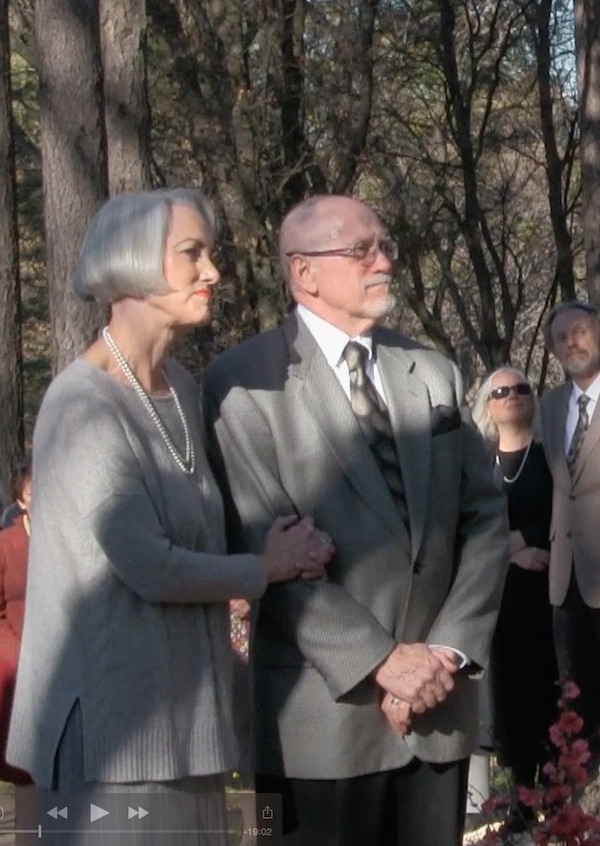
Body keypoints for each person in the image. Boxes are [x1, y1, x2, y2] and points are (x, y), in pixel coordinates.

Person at [7, 188, 333, 844]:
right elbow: (150, 566)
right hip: (112, 740)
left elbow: (201, 535)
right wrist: (264, 569)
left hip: (193, 731)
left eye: (208, 253)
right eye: (191, 254)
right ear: (131, 263)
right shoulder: (81, 406)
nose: (212, 271)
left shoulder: (181, 387)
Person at [203, 193, 509, 846]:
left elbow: (485, 521)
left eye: (385, 245)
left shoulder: (432, 372)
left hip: (438, 710)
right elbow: (263, 549)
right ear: (304, 272)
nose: (384, 262)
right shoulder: (243, 384)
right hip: (320, 725)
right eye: (360, 249)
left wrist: (442, 655)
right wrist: (381, 663)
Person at [472, 367, 558, 830]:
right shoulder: (480, 466)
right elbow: (470, 521)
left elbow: (560, 511)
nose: (512, 397)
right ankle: (521, 800)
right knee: (511, 697)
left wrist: (528, 546)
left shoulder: (550, 458)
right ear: (487, 405)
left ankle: (561, 795)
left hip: (546, 597)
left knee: (547, 691)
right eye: (500, 391)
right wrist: (515, 548)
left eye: (522, 388)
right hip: (499, 598)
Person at [540, 301, 600, 753]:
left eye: (580, 331)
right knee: (579, 699)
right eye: (562, 337)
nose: (572, 341)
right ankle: (587, 789)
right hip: (564, 577)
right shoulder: (550, 406)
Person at [0, 459, 33, 785]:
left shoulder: (70, 540)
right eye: (32, 493)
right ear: (21, 501)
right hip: (15, 648)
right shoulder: (5, 546)